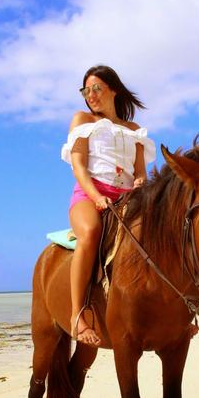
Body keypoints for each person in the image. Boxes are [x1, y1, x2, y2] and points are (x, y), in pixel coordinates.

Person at [61, 65, 156, 345]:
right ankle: (78, 315)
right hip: (90, 195)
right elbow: (78, 168)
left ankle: (183, 310)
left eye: (96, 88)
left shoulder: (135, 130)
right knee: (90, 232)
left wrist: (139, 182)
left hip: (128, 198)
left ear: (113, 89)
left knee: (165, 232)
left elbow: (140, 171)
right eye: (86, 90)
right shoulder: (82, 119)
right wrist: (96, 196)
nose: (90, 95)